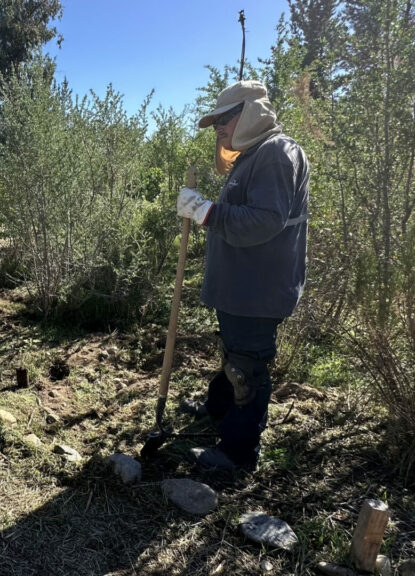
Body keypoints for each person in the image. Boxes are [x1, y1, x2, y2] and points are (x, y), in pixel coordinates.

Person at [175, 80, 309, 472]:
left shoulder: (276, 153)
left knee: (247, 368)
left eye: (224, 118)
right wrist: (207, 211)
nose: (217, 126)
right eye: (215, 119)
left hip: (258, 289)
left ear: (249, 112)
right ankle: (216, 411)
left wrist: (206, 212)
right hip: (243, 287)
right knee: (234, 354)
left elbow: (265, 222)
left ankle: (238, 454)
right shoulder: (253, 155)